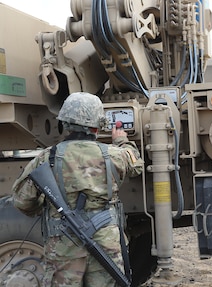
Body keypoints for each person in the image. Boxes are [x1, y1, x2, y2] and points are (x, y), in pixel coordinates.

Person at [12, 92, 144, 286]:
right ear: (97, 126)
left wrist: (49, 207)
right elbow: (136, 165)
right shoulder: (115, 155)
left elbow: (23, 201)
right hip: (105, 245)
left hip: (63, 245)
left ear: (65, 124)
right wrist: (121, 140)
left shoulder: (46, 158)